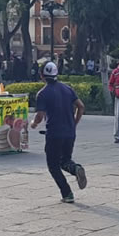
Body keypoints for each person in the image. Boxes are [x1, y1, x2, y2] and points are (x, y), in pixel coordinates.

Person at [31, 62, 86, 203]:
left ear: (41, 75)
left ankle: (67, 193)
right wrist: (74, 123)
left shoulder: (43, 93)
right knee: (65, 160)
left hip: (54, 134)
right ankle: (75, 168)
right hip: (70, 132)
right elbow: (81, 106)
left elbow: (40, 115)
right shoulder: (68, 89)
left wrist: (34, 123)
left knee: (53, 165)